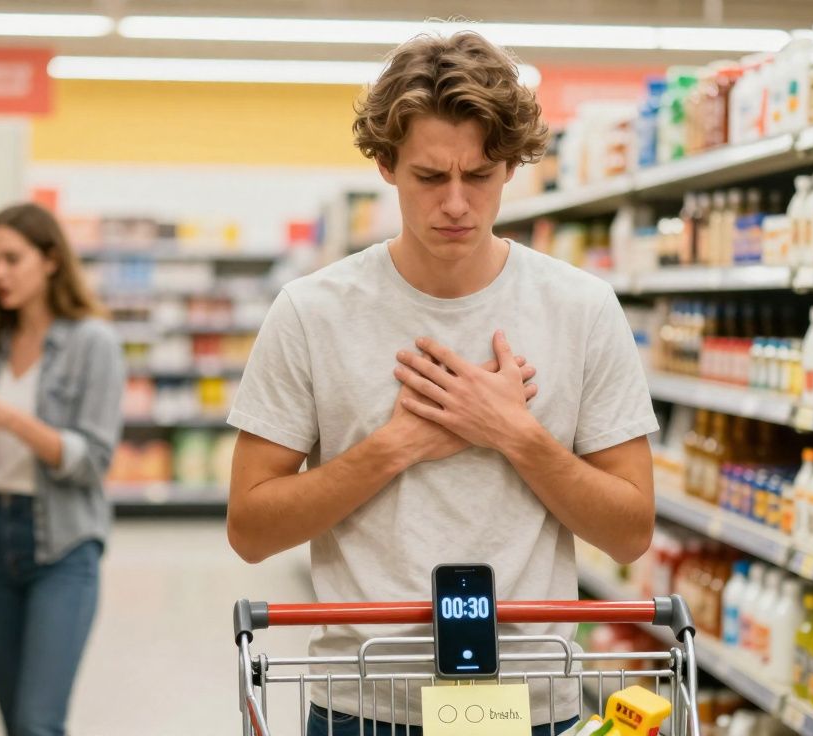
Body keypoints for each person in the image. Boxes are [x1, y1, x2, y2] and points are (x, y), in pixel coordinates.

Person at [226, 31, 658, 735]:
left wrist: (515, 435)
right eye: (430, 177)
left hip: (529, 705)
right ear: (386, 164)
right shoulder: (311, 312)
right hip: (359, 705)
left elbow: (631, 532)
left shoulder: (581, 309)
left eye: (480, 175)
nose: (456, 203)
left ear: (512, 167)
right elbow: (249, 529)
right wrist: (395, 446)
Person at [0, 203, 125, 736]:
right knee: (15, 721)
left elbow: (93, 462)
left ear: (51, 260)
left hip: (61, 546)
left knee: (39, 723)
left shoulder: (92, 343)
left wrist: (14, 419)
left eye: (12, 259)